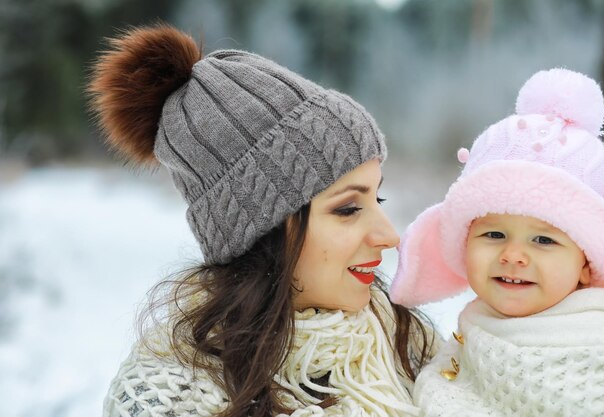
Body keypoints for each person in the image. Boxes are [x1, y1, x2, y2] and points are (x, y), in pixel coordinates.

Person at [88, 24, 438, 417]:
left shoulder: (410, 348)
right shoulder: (167, 397)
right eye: (348, 209)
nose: (390, 235)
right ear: (259, 232)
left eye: (379, 197)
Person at [390, 68, 604, 416]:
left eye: (544, 240)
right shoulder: (468, 336)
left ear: (587, 266)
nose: (513, 255)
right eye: (494, 234)